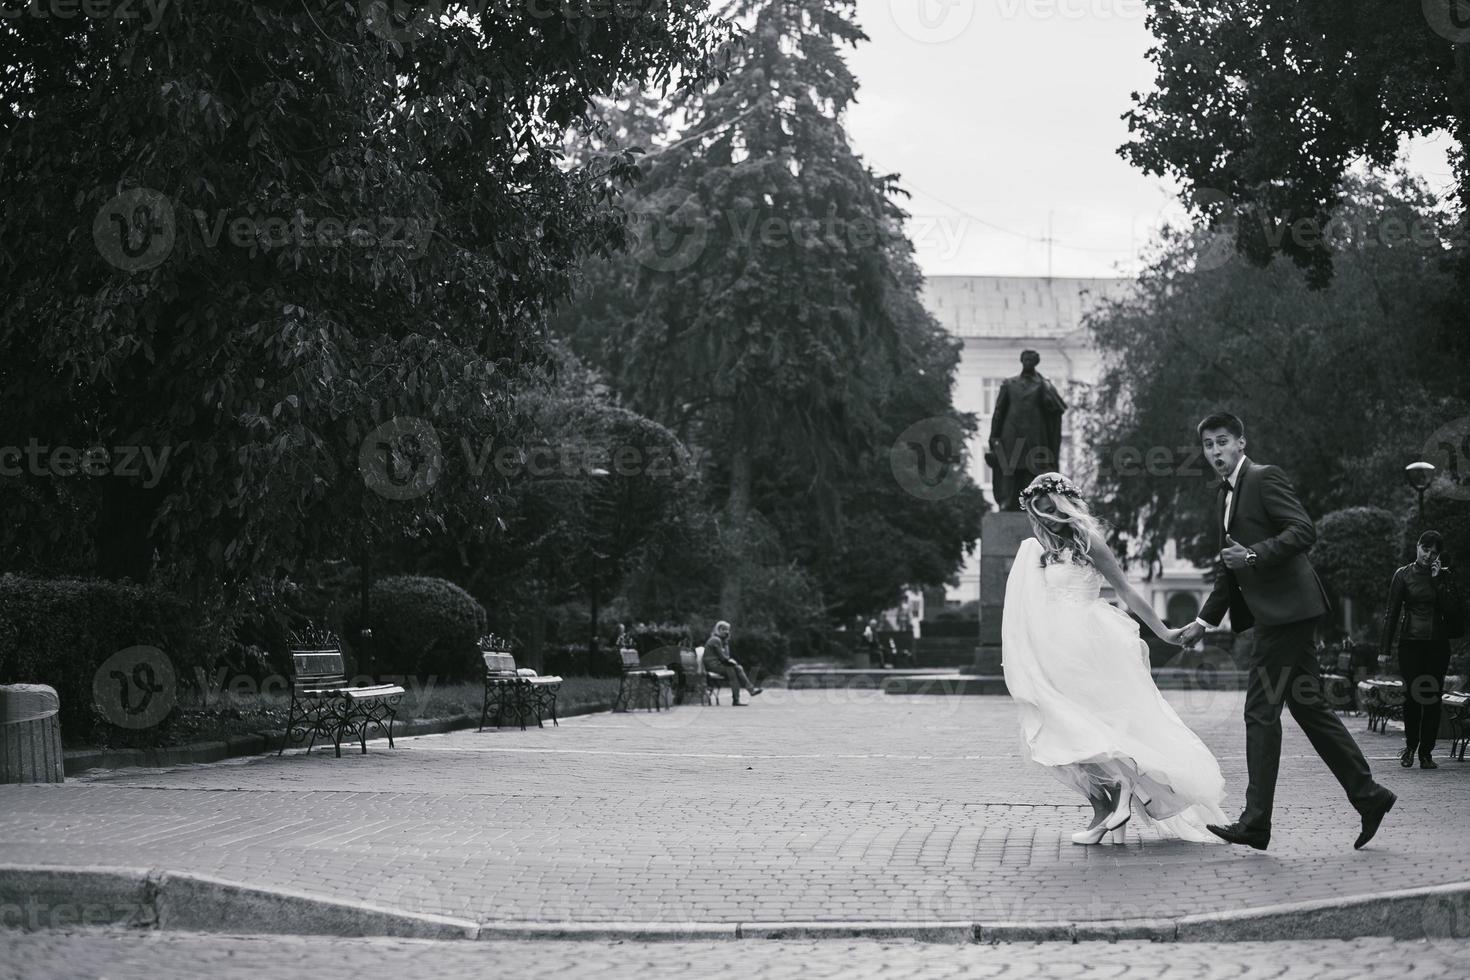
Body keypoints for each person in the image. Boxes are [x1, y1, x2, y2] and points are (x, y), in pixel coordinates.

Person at [1178, 413, 1396, 851]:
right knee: (1310, 709)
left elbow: (1303, 530)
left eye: (1223, 441)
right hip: (1284, 614)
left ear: (1241, 442)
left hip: (1288, 613)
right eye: (1207, 445)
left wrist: (1255, 556)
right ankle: (1371, 796)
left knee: (1260, 711)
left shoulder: (1263, 478)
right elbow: (1230, 569)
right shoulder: (1223, 496)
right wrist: (1202, 623)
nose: (1215, 451)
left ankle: (1256, 822)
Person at [1002, 472, 1229, 846]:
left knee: (1082, 724)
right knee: (1057, 727)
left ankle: (1119, 793)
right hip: (1052, 646)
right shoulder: (1041, 551)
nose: (1045, 519)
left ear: (1065, 506)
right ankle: (1110, 811)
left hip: (1087, 642)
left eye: (1050, 510)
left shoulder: (1090, 542)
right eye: (1037, 513)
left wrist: (1164, 632)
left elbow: (1126, 590)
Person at [1381, 530, 1466, 769]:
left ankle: (1426, 753)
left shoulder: (1445, 576)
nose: (1428, 555)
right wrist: (1384, 648)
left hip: (1438, 645)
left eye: (1434, 552)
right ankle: (1410, 747)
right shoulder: (1403, 575)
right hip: (1410, 643)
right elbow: (1392, 613)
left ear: (1439, 555)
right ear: (1418, 546)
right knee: (1412, 695)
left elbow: (1455, 614)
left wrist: (1438, 580)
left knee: (1431, 697)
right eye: (1425, 549)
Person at [988, 350, 1068, 511]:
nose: (1028, 362)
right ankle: (1007, 502)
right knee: (1009, 469)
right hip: (1011, 433)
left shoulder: (1043, 384)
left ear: (1036, 362)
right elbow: (999, 411)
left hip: (1035, 434)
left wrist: (1048, 389)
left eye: (1031, 359)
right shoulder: (1009, 384)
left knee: (1033, 469)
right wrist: (993, 436)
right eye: (1025, 359)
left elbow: (1057, 408)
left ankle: (1033, 503)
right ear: (1021, 360)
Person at [703, 621, 763, 706]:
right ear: (718, 629)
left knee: (737, 669)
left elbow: (726, 656)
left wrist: (726, 642)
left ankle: (743, 695)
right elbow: (724, 658)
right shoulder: (715, 640)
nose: (727, 632)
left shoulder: (721, 641)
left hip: (717, 665)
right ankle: (746, 693)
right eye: (724, 629)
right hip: (712, 666)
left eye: (728, 630)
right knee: (735, 670)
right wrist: (731, 661)